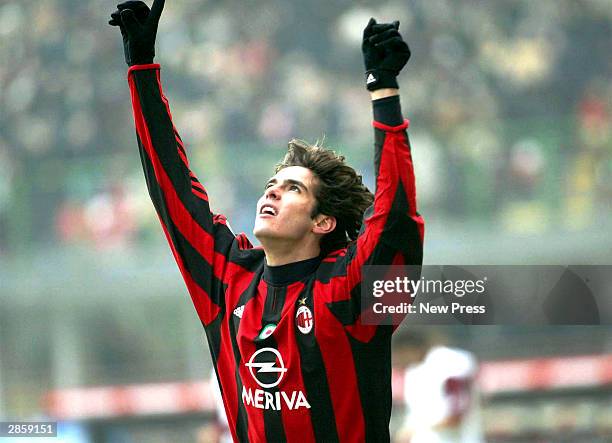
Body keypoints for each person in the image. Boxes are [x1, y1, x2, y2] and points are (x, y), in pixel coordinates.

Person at [109, 1, 424, 441]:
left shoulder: (348, 290)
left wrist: (384, 93)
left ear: (323, 222)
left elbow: (395, 222)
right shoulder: (228, 280)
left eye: (293, 188)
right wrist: (141, 69)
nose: (272, 191)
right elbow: (173, 192)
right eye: (272, 183)